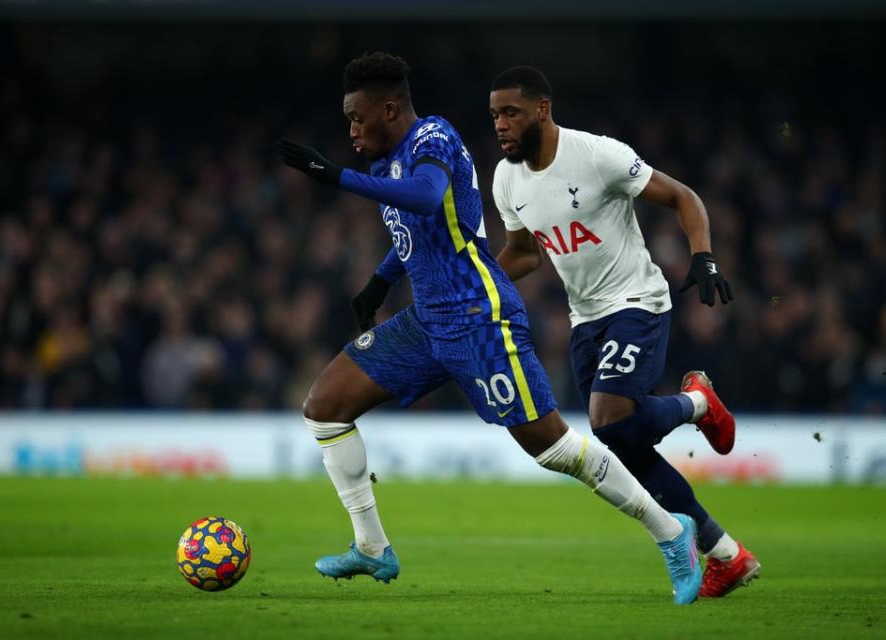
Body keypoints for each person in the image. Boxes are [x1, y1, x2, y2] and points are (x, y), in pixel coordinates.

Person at [275, 51, 702, 604]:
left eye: (358, 118)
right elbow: (423, 232)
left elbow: (428, 197)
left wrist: (334, 177)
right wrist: (381, 281)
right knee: (324, 406)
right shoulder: (384, 160)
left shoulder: (433, 138)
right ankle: (373, 547)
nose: (351, 130)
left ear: (389, 108)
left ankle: (672, 533)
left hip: (479, 317)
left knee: (552, 449)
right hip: (427, 319)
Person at [488, 66, 760, 598]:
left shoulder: (597, 155)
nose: (500, 124)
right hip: (585, 318)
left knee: (606, 417)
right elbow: (524, 253)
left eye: (510, 112)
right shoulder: (506, 178)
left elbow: (683, 196)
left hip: (638, 302)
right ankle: (725, 554)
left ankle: (696, 403)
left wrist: (702, 256)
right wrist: (479, 285)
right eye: (495, 114)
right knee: (621, 444)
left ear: (542, 109)